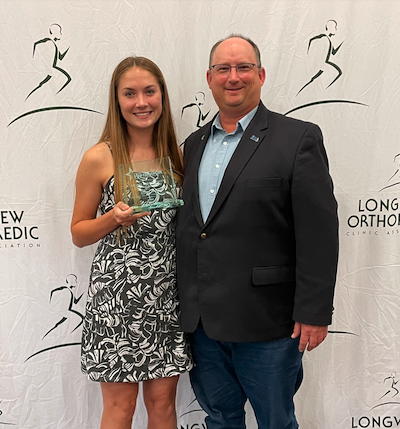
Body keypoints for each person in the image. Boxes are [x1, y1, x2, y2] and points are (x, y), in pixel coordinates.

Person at [176, 35, 339, 429]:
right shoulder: (192, 145)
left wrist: (314, 312)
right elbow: (197, 229)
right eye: (223, 69)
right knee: (219, 419)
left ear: (261, 75)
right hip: (203, 325)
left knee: (275, 422)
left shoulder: (297, 138)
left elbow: (319, 229)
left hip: (268, 324)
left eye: (243, 67)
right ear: (209, 79)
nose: (234, 77)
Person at [71, 56, 192, 429]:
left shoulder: (177, 156)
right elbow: (78, 232)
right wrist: (112, 219)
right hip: (117, 301)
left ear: (162, 96)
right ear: (117, 100)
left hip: (166, 299)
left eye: (149, 91)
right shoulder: (99, 157)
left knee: (163, 406)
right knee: (120, 409)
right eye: (130, 93)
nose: (141, 102)